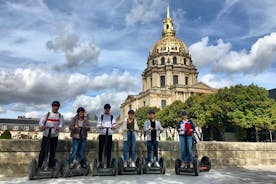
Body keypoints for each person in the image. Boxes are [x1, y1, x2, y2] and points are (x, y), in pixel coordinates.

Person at [38, 100, 64, 170]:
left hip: (54, 135)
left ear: (58, 108)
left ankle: (50, 166)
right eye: (54, 106)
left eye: (57, 106)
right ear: (52, 107)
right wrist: (42, 126)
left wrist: (59, 127)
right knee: (43, 150)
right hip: (46, 134)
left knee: (53, 151)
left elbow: (61, 123)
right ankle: (39, 165)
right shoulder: (47, 114)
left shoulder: (60, 116)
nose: (55, 108)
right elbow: (41, 122)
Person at [96, 104, 117, 168]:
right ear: (104, 109)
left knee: (108, 149)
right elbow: (97, 125)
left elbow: (114, 125)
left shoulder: (112, 117)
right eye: (106, 109)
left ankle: (108, 163)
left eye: (108, 109)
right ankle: (100, 162)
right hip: (102, 134)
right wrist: (100, 126)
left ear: (109, 109)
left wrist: (113, 127)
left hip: (109, 134)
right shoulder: (101, 116)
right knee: (101, 149)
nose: (107, 110)